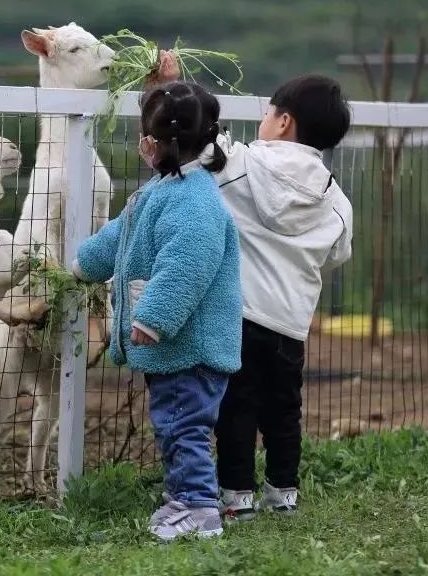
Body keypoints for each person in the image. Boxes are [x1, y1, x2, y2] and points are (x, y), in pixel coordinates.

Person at [147, 53, 354, 521]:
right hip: (290, 323)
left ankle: (235, 495)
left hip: (236, 315)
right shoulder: (336, 200)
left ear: (283, 121)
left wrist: (168, 86)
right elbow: (339, 252)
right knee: (284, 410)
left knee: (235, 407)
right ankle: (284, 493)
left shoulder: (239, 165)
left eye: (267, 112)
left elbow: (197, 143)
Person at [72, 80, 242, 541]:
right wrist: (81, 265)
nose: (139, 141)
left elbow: (187, 264)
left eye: (142, 133)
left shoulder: (193, 200)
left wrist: (154, 318)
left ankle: (199, 509)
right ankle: (184, 498)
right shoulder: (163, 189)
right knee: (173, 425)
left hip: (189, 346)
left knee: (183, 427)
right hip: (174, 348)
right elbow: (120, 237)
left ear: (159, 143)